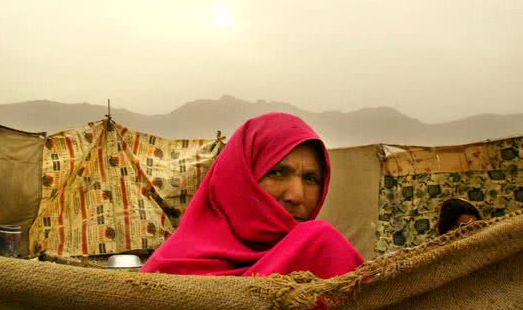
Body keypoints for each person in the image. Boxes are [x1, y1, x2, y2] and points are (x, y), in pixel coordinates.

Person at [141, 112, 363, 280]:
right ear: (239, 180)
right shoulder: (172, 269)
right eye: (277, 173)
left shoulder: (324, 257)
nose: (297, 196)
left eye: (311, 179)